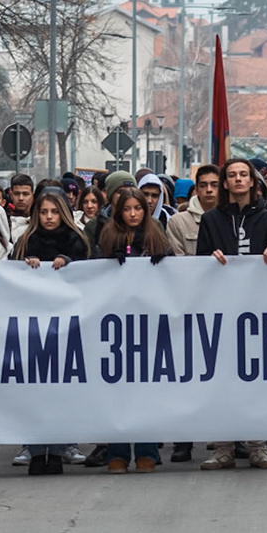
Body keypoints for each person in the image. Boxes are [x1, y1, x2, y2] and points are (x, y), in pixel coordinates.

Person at [197, 158, 267, 470]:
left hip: (257, 312)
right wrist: (210, 258)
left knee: (256, 379)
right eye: (232, 175)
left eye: (243, 175)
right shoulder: (210, 219)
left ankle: (258, 446)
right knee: (222, 380)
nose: (238, 179)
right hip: (222, 310)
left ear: (252, 181)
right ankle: (223, 447)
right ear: (225, 183)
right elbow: (198, 264)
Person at [12, 187, 93, 475]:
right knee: (35, 389)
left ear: (64, 214)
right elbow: (8, 276)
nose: (49, 217)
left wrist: (70, 264)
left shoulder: (77, 241)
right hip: (33, 327)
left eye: (55, 212)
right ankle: (34, 450)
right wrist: (26, 267)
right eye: (44, 212)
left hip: (68, 327)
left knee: (62, 390)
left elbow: (92, 274)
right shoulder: (26, 241)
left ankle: (60, 449)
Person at [96, 186, 170, 474]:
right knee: (117, 391)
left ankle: (147, 451)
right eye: (127, 209)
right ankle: (117, 452)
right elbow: (93, 270)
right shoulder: (108, 235)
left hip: (148, 321)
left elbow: (176, 274)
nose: (133, 214)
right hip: (116, 323)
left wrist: (165, 261)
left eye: (137, 208)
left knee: (145, 391)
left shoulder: (155, 234)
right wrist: (107, 261)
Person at [167, 165, 220, 256]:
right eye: (203, 185)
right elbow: (177, 259)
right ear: (196, 189)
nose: (209, 190)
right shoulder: (178, 222)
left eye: (214, 185)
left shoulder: (232, 219)